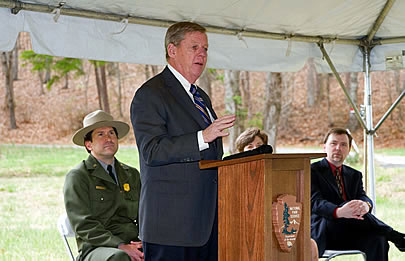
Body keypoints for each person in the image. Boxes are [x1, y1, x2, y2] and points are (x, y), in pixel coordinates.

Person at [130, 21, 236, 261]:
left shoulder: (200, 96)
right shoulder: (151, 94)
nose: (202, 54)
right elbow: (152, 151)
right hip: (171, 228)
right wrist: (203, 136)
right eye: (194, 47)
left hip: (206, 224)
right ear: (172, 50)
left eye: (206, 49)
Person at [311, 127, 405, 260]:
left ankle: (390, 235)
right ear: (324, 147)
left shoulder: (354, 175)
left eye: (343, 145)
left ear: (349, 150)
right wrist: (339, 211)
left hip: (351, 230)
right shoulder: (312, 171)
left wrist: (366, 205)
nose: (338, 148)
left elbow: (362, 196)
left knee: (378, 239)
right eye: (334, 143)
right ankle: (395, 236)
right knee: (348, 206)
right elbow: (315, 203)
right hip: (325, 231)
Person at [63, 110, 143, 261]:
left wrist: (145, 241)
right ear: (89, 144)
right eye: (100, 134)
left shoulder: (131, 174)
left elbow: (144, 214)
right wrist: (120, 245)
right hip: (96, 247)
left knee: (168, 250)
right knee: (119, 257)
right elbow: (83, 225)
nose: (109, 138)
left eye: (112, 133)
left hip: (132, 242)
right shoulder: (78, 177)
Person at [234, 127, 319, 261]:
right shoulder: (233, 173)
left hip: (277, 228)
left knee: (311, 246)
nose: (255, 149)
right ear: (241, 151)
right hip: (249, 231)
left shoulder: (277, 172)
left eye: (259, 146)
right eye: (250, 146)